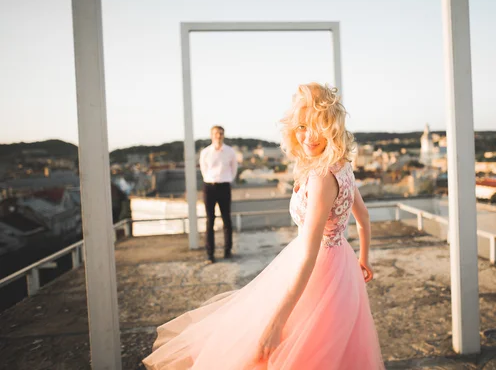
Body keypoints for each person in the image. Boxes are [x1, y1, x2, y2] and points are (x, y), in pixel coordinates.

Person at [143, 83, 384, 369]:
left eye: (317, 126)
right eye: (302, 126)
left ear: (332, 126)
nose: (308, 136)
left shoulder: (321, 178)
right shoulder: (343, 165)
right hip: (342, 264)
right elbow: (364, 217)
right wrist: (362, 259)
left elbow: (309, 254)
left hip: (318, 268)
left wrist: (278, 320)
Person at [199, 125, 238, 264]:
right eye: (216, 133)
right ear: (211, 135)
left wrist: (226, 179)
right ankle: (210, 254)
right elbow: (204, 169)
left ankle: (228, 251)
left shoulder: (230, 152)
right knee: (210, 220)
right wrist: (211, 180)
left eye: (221, 133)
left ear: (223, 135)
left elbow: (234, 169)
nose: (218, 136)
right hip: (209, 187)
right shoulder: (205, 152)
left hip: (224, 186)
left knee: (227, 219)